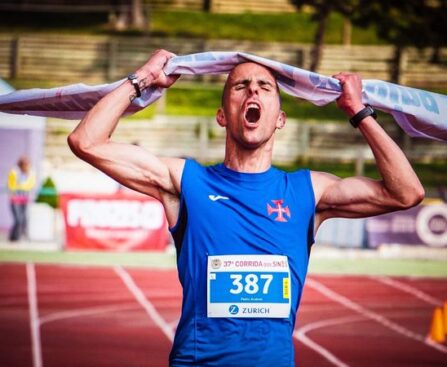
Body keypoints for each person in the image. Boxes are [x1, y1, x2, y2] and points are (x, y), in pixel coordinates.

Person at [67, 49, 424, 366]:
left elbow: (406, 192)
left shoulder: (307, 191)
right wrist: (142, 79)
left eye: (264, 87)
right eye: (240, 86)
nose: (253, 90)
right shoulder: (186, 182)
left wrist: (359, 112)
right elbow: (86, 141)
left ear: (280, 119)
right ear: (222, 116)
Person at [7, 156, 36, 242]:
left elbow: (30, 185)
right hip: (15, 199)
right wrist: (21, 187)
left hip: (24, 198)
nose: (26, 166)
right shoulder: (14, 172)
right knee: (18, 219)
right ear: (20, 165)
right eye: (25, 164)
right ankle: (13, 237)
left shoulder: (31, 172)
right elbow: (11, 185)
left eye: (27, 164)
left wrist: (22, 186)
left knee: (23, 219)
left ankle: (18, 236)